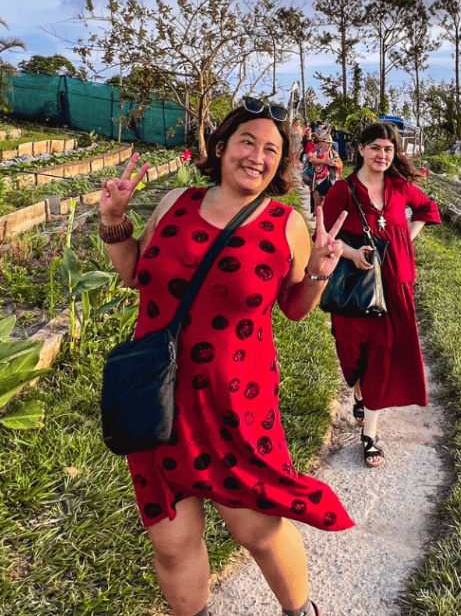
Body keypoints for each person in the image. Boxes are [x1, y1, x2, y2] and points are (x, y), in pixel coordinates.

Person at [99, 99, 354, 616]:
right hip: (158, 395)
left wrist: (319, 273)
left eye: (271, 150)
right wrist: (114, 221)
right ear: (221, 147)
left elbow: (294, 308)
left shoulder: (286, 224)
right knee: (172, 541)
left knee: (256, 528)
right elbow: (133, 274)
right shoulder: (176, 202)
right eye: (247, 142)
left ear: (281, 164)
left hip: (237, 402)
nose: (257, 157)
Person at [321, 121, 441, 468]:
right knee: (351, 352)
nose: (382, 154)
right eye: (375, 147)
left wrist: (406, 237)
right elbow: (326, 236)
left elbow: (427, 209)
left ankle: (370, 433)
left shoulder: (400, 187)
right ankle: (359, 393)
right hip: (355, 286)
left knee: (383, 354)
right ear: (361, 149)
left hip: (395, 282)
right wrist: (351, 253)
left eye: (389, 149)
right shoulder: (342, 190)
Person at [306, 131, 341, 215]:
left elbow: (339, 165)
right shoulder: (317, 151)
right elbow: (311, 159)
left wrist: (333, 163)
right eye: (327, 143)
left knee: (329, 203)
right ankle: (318, 219)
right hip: (318, 181)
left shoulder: (333, 153)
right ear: (322, 143)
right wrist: (324, 161)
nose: (329, 145)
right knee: (318, 203)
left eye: (330, 143)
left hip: (331, 181)